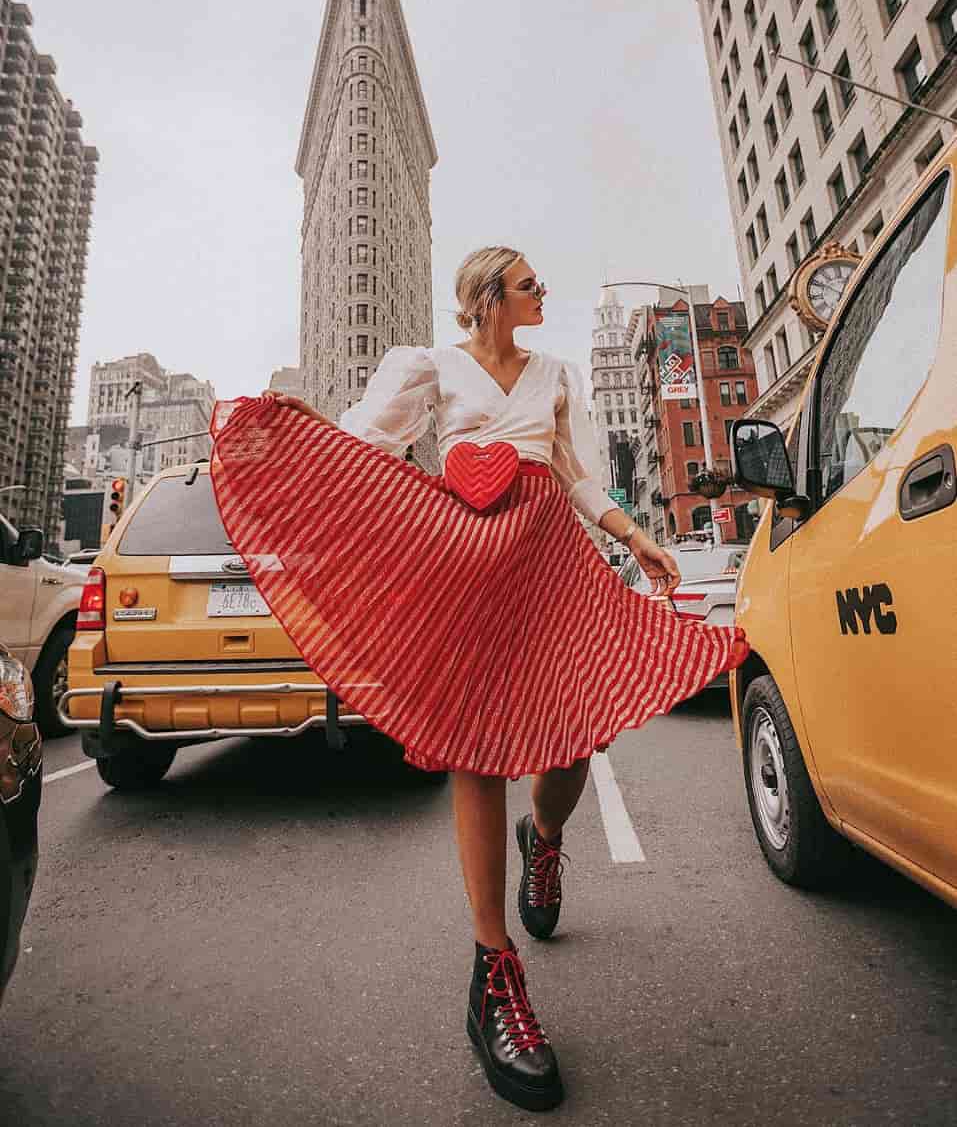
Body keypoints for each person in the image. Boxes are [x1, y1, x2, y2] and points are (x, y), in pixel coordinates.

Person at [210, 246, 748, 1114]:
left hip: (550, 564)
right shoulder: (434, 365)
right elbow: (362, 447)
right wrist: (302, 423)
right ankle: (494, 970)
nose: (545, 292)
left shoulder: (556, 374)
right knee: (479, 751)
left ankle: (545, 838)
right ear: (489, 296)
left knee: (577, 732)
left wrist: (632, 532)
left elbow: (571, 470)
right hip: (467, 564)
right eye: (532, 283)